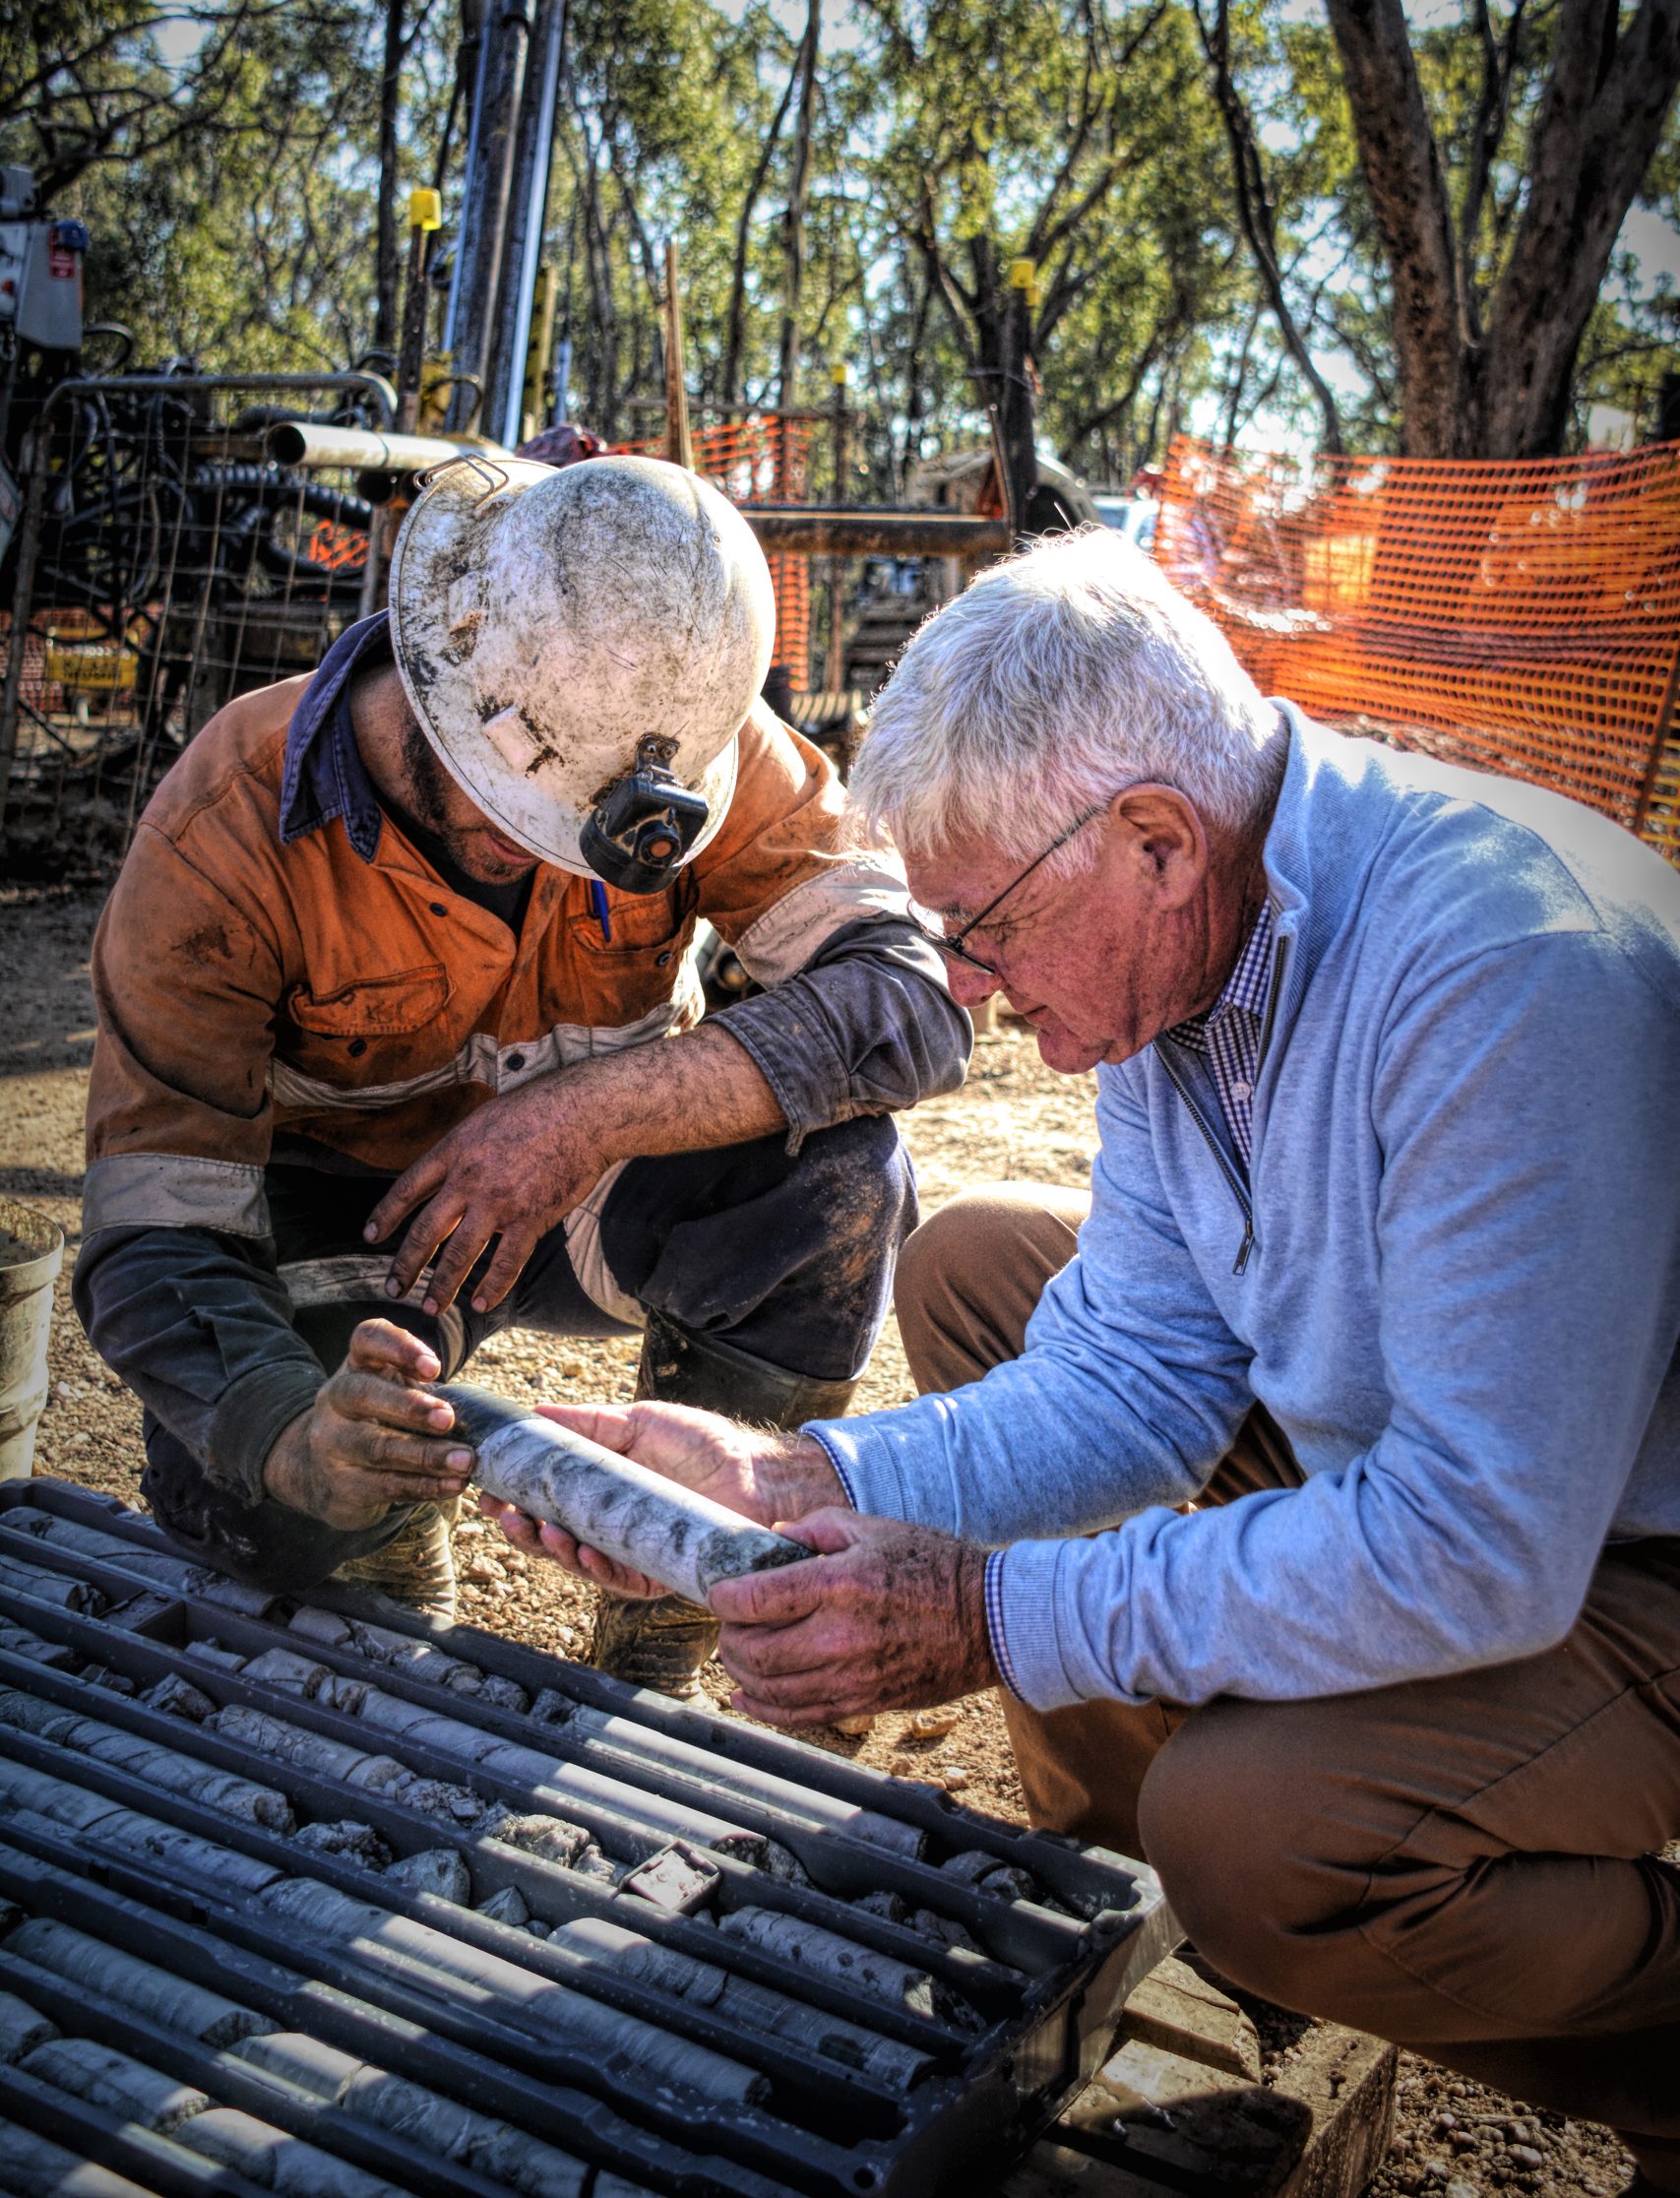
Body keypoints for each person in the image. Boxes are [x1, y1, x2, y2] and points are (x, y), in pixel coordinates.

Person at [483, 528, 1680, 2189]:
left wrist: (991, 1616)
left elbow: (1478, 1547)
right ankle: (1118, 1916)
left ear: (1153, 842)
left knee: (1261, 1834)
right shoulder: (1181, 938)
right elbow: (1131, 1373)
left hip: (1628, 1551)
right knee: (983, 1264)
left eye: (981, 933)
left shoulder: (1501, 975)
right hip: (1460, 1463)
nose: (967, 991)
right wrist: (799, 1476)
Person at [74, 452, 967, 1686]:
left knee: (839, 1181)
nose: (549, 860)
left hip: (593, 1197)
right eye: (523, 816)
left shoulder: (690, 733)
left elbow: (910, 996)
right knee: (253, 1486)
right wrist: (291, 1436)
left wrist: (582, 1119)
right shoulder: (225, 832)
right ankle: (383, 1553)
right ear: (451, 690)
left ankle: (667, 1617)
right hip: (366, 1227)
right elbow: (150, 1235)